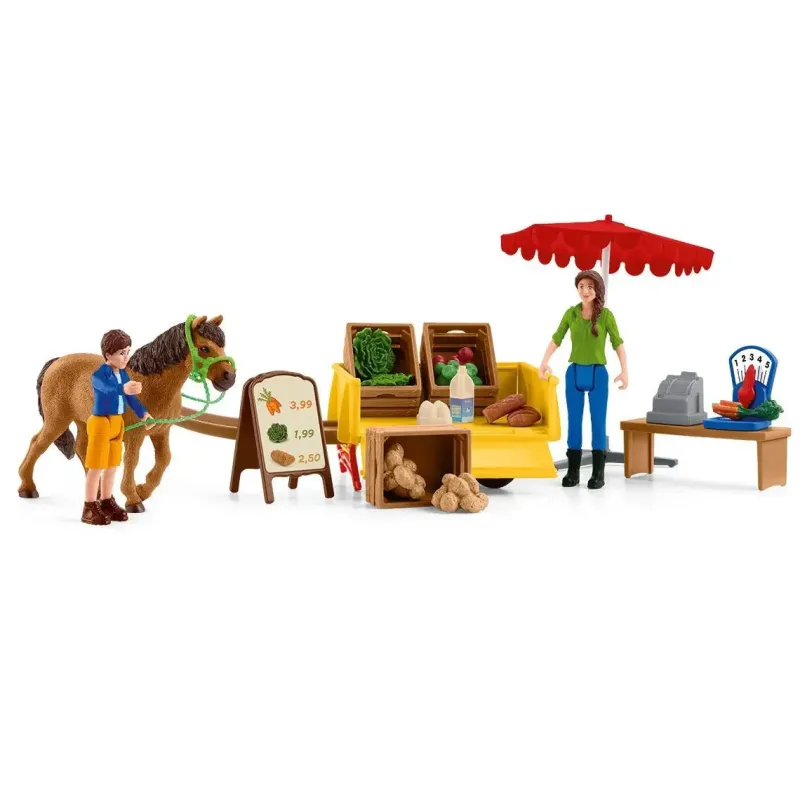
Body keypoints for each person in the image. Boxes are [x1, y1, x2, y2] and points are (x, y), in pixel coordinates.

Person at [539, 270, 628, 490]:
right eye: (581, 287)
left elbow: (617, 343)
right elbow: (557, 338)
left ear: (598, 289)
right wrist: (544, 362)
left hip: (598, 373)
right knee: (574, 422)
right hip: (575, 372)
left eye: (590, 286)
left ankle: (598, 473)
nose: (585, 291)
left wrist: (624, 371)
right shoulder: (571, 314)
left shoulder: (606, 316)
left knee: (598, 422)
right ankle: (573, 471)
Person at [82, 330, 153, 525]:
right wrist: (123, 389)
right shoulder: (99, 374)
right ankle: (89, 506)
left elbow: (130, 398)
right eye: (122, 353)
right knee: (96, 467)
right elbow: (108, 389)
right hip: (101, 423)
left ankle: (106, 501)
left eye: (128, 352)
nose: (126, 357)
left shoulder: (122, 374)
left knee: (112, 465)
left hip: (117, 422)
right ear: (108, 355)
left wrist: (143, 414)